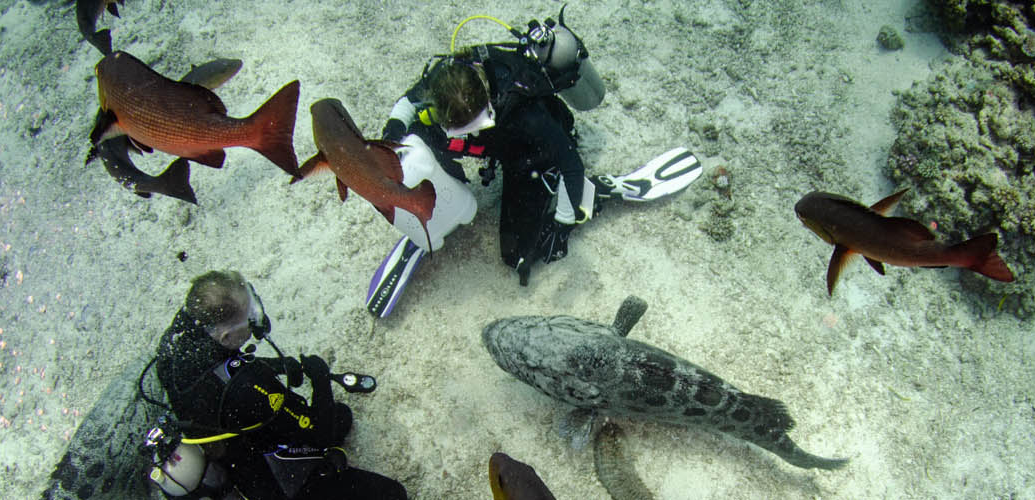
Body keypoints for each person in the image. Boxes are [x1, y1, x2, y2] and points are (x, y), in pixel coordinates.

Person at [373, 10, 701, 293]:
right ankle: (450, 193)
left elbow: (571, 164)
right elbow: (406, 104)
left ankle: (592, 195)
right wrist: (392, 136)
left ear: (487, 105)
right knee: (417, 134)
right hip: (491, 140)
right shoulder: (444, 79)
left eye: (469, 124)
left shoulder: (526, 114)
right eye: (456, 126)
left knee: (515, 257)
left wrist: (563, 219)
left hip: (526, 152)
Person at [143, 270, 407, 500]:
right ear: (226, 336)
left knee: (342, 417)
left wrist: (278, 366)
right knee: (393, 494)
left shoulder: (181, 334)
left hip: (227, 437)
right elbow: (319, 434)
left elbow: (219, 372)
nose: (256, 317)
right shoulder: (250, 388)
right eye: (249, 317)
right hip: (269, 481)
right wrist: (320, 379)